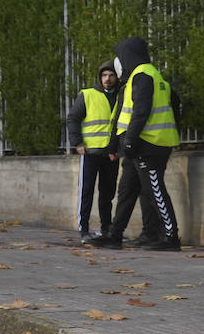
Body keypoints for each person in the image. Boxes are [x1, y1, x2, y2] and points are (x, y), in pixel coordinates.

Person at [89, 36, 181, 251]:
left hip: (147, 144)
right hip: (139, 145)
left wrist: (129, 141)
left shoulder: (144, 76)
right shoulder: (145, 78)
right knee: (127, 191)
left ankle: (171, 237)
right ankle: (114, 235)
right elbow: (174, 108)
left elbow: (141, 111)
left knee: (155, 190)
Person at [66, 60, 119, 244]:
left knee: (108, 193)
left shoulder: (121, 96)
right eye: (104, 75)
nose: (108, 79)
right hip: (90, 152)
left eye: (111, 75)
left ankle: (106, 229)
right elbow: (73, 118)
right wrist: (77, 142)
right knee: (86, 192)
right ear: (99, 77)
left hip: (111, 154)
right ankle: (84, 230)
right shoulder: (87, 95)